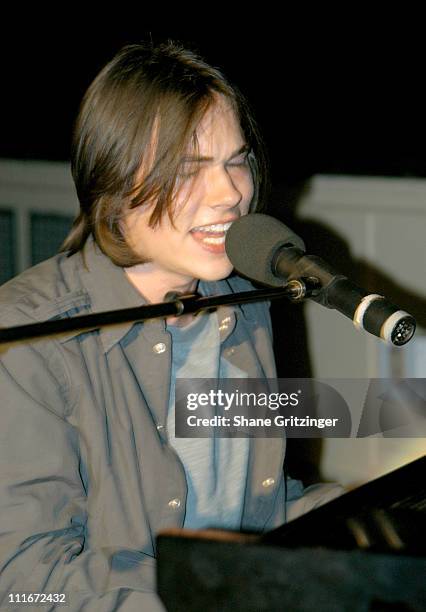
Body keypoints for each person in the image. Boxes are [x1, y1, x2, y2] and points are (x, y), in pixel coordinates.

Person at [0, 41, 342, 611]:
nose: (230, 193)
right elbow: (23, 578)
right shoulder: (28, 339)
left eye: (236, 161)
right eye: (189, 169)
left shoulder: (241, 306)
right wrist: (211, 593)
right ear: (110, 180)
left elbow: (256, 514)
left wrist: (374, 531)